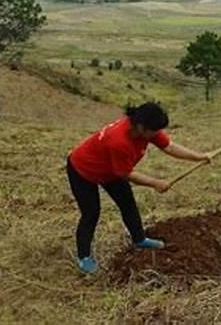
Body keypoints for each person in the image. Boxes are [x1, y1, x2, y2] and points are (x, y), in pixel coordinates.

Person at [66, 102, 210, 274]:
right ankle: (84, 257)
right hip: (83, 170)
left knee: (128, 204)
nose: (157, 134)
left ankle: (139, 239)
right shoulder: (118, 141)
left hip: (110, 171)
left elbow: (169, 146)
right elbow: (126, 174)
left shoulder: (146, 130)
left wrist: (199, 157)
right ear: (141, 126)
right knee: (91, 213)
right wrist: (155, 182)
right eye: (154, 130)